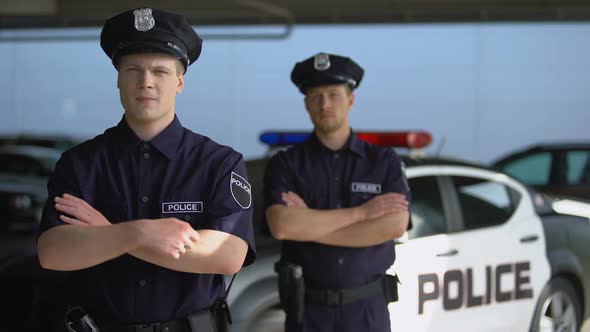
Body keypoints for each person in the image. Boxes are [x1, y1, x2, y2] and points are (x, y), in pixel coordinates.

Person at [36, 7, 255, 332]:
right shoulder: (80, 163)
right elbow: (53, 253)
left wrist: (107, 232)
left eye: (160, 71)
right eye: (133, 70)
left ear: (179, 82)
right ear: (119, 80)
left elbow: (227, 254)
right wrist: (138, 232)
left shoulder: (219, 163)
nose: (146, 82)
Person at [263, 52, 411, 332]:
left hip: (368, 311)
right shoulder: (286, 163)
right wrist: (362, 213)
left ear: (351, 101)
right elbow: (282, 226)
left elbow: (394, 225)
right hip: (308, 312)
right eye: (316, 96)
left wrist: (308, 223)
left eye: (333, 94)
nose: (325, 104)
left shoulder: (383, 161)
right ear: (306, 104)